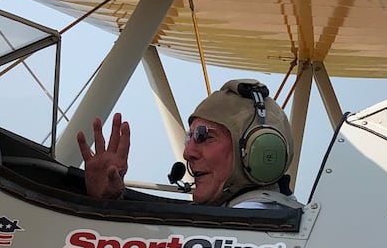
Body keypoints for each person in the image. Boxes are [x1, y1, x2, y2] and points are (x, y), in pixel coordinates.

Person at [77, 78, 302, 208]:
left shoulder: (252, 220)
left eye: (204, 136)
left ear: (256, 151)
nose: (187, 153)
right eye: (189, 138)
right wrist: (109, 201)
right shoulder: (237, 218)